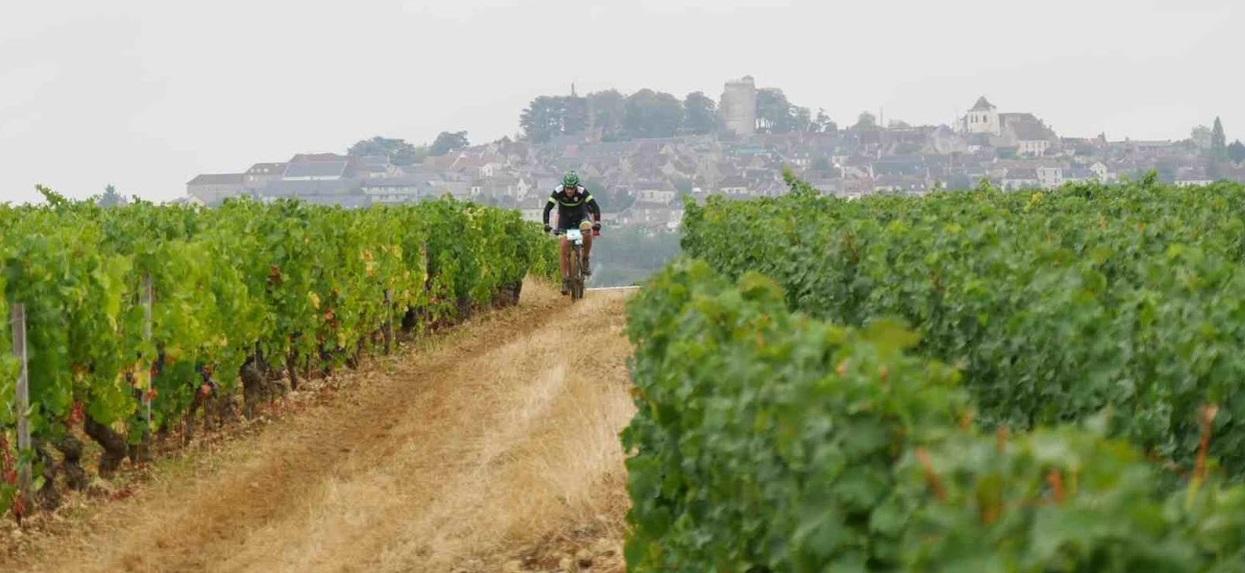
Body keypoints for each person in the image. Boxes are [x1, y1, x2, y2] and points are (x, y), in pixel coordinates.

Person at [543, 171, 602, 295]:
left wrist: (597, 223)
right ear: (564, 186)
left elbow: (595, 206)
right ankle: (565, 280)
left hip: (581, 217)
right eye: (568, 188)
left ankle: (585, 258)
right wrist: (546, 224)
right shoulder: (558, 191)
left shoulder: (582, 191)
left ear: (576, 186)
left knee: (587, 231)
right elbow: (547, 208)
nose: (569, 191)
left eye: (572, 188)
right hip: (565, 221)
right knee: (564, 247)